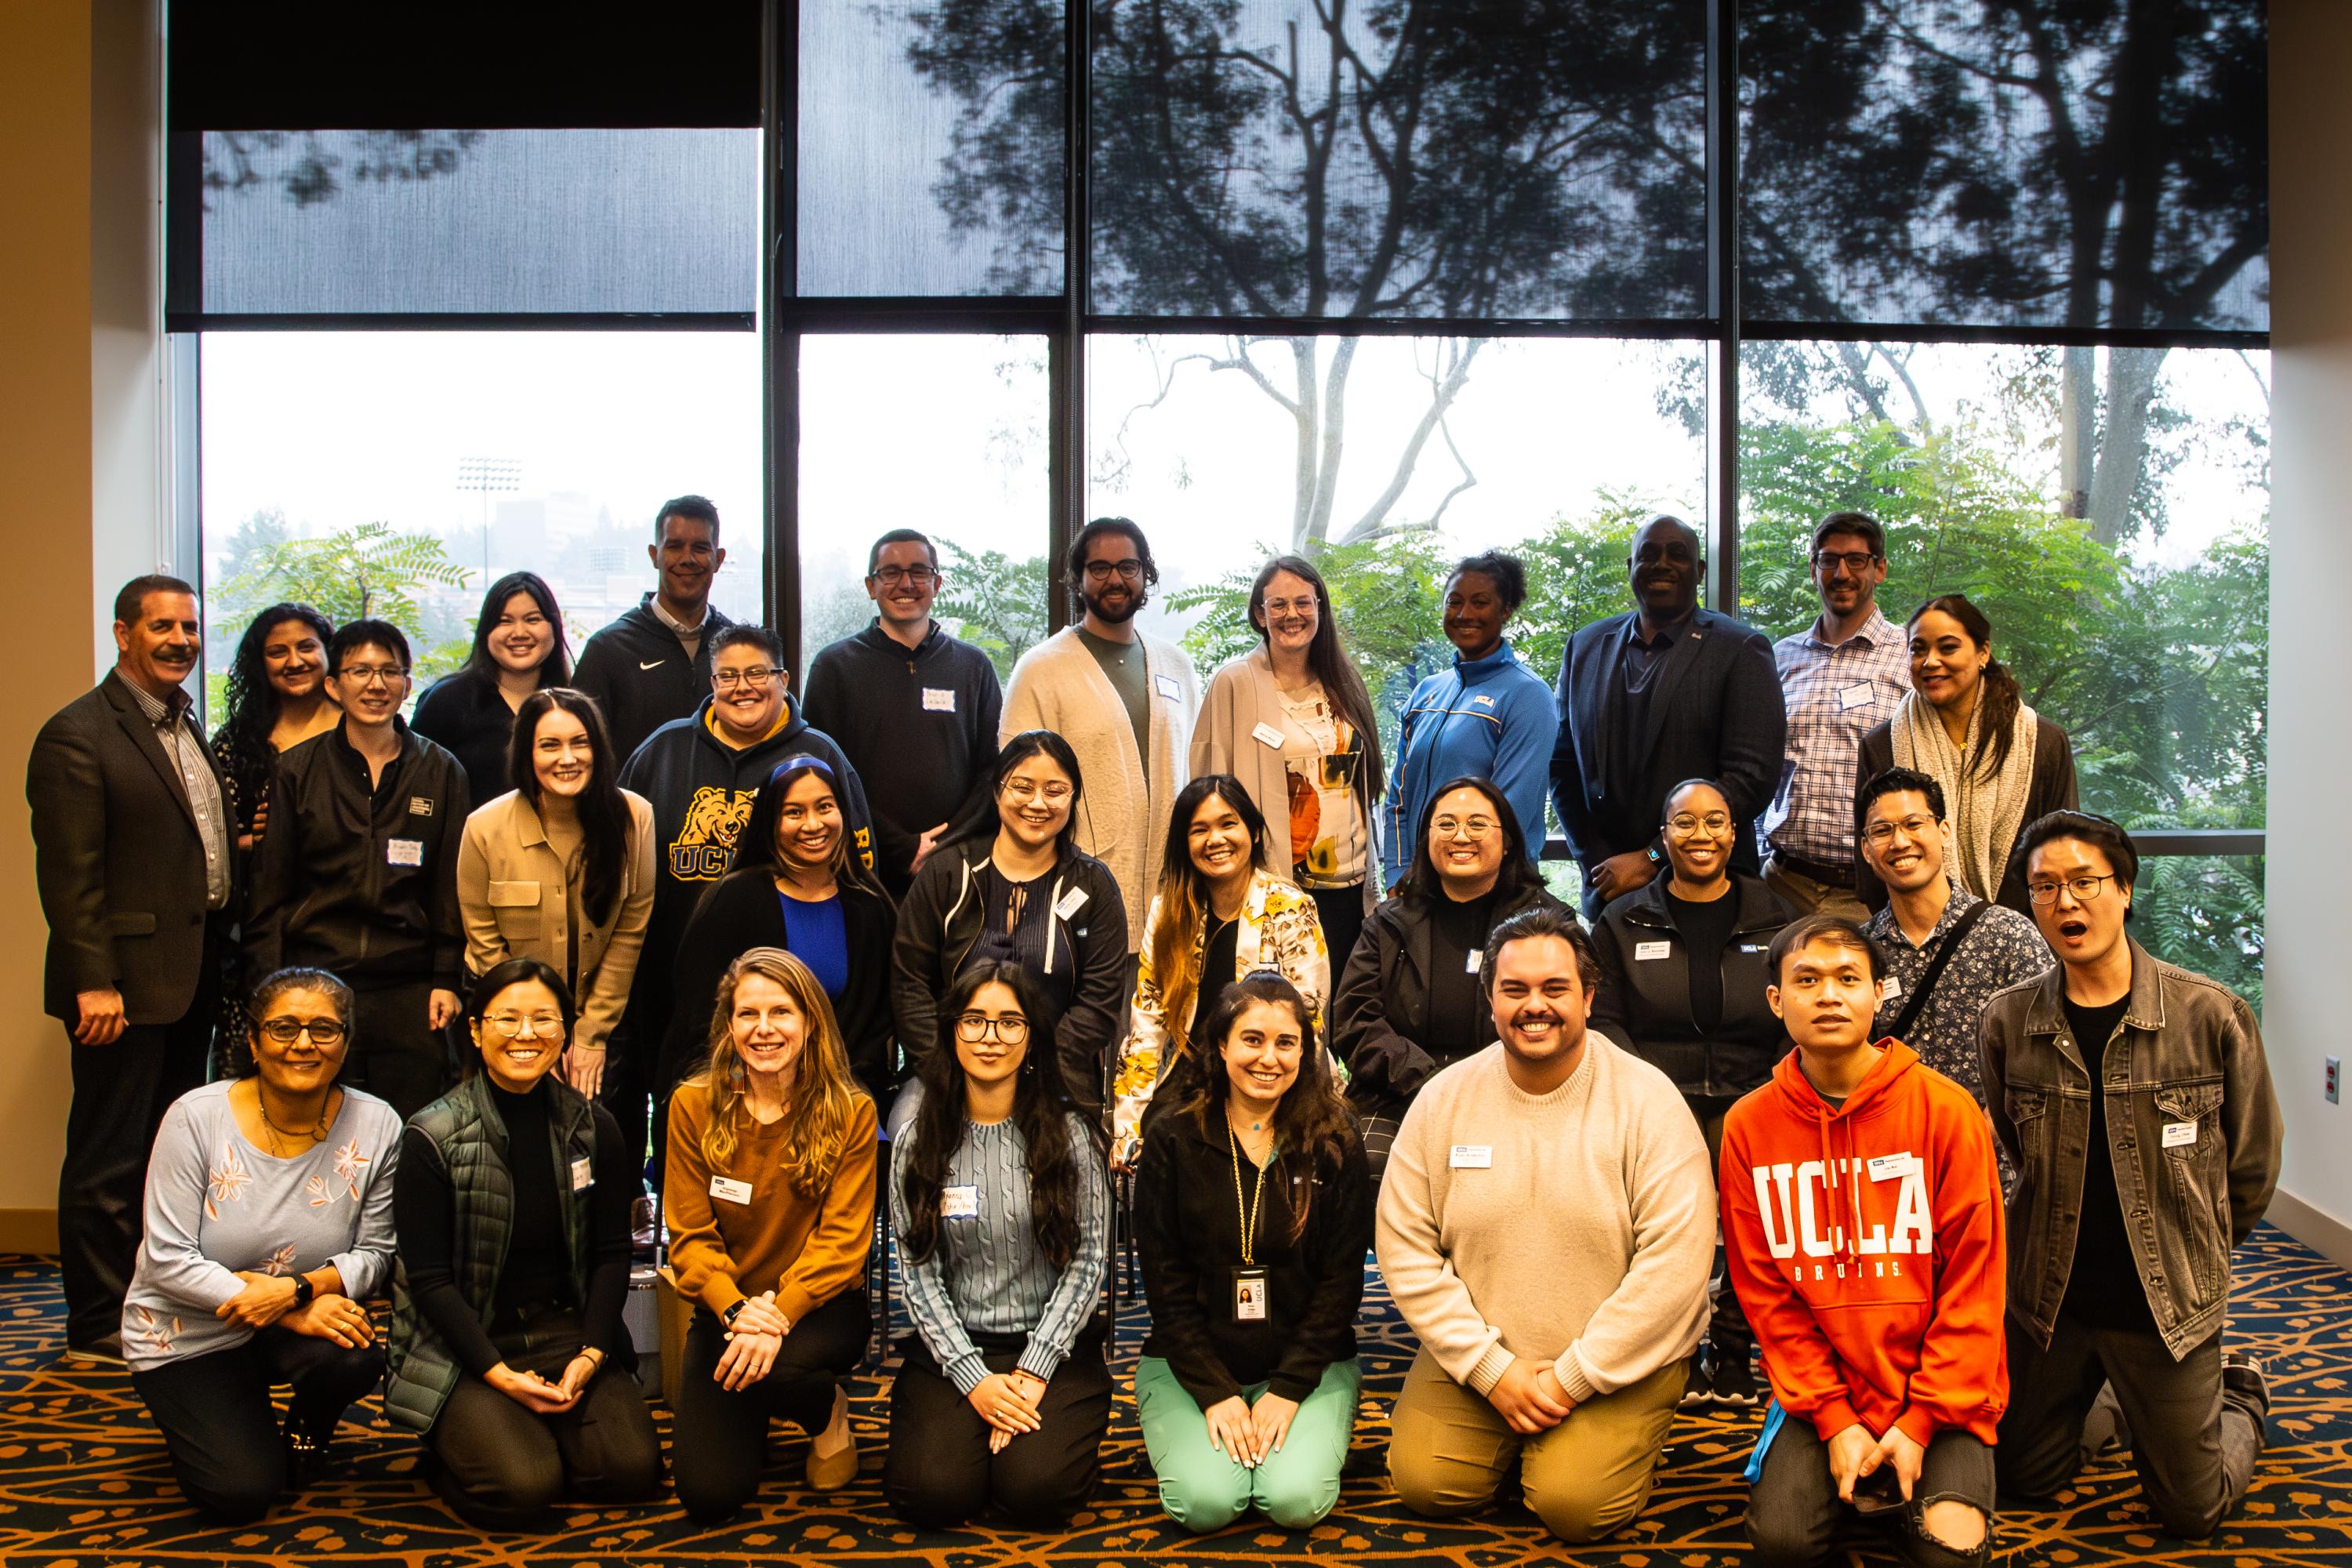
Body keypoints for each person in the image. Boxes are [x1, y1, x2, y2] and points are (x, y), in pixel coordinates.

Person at [1981, 812, 2280, 1540]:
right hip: (2053, 1305)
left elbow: (2251, 1164)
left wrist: (2199, 1242)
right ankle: (2119, 1397)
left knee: (2191, 1513)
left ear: (2124, 890)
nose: (2065, 903)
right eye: (2044, 887)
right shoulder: (2008, 1020)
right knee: (2026, 1478)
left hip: (2166, 1303)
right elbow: (2016, 1153)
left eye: (2084, 882)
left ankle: (2237, 1396)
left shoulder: (2209, 1014)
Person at [1377, 906, 1714, 1543]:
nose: (1536, 1006)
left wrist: (1574, 1376)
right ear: (1491, 1000)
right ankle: (1521, 1436)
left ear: (1588, 996)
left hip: (1618, 1359)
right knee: (1428, 1486)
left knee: (1575, 1508)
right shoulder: (1444, 1098)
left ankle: (1582, 1445)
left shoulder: (1648, 1102)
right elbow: (1404, 1245)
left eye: (1555, 989)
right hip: (1486, 1352)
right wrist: (1489, 1369)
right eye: (1515, 990)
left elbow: (1676, 1268)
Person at [1722, 914, 2005, 1568]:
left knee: (1949, 1558)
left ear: (1880, 994)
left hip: (1936, 1390)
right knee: (1784, 1547)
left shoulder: (1947, 1110)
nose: (1828, 995)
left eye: (1848, 978)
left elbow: (1976, 1285)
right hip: (1824, 1389)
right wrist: (1833, 1419)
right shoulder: (1748, 1126)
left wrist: (1918, 1423)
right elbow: (1765, 1295)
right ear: (1776, 1000)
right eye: (1808, 979)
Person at [27, 575, 234, 1359]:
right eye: (162, 627)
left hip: (186, 977)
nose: (181, 639)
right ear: (123, 633)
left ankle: (147, 1296)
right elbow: (70, 874)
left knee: (164, 1152)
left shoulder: (184, 721)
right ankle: (94, 1321)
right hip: (120, 986)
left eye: (189, 625)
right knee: (109, 1157)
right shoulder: (78, 733)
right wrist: (93, 978)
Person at [383, 959, 660, 1530]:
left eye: (543, 1019)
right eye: (507, 1019)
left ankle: (527, 1435)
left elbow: (612, 1253)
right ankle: (454, 1450)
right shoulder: (431, 1135)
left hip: (564, 1331)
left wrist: (592, 1353)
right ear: (477, 1030)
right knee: (524, 1489)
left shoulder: (593, 1125)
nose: (526, 1034)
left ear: (565, 1033)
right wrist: (497, 1372)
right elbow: (428, 1281)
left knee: (633, 1472)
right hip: (466, 1342)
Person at [122, 967, 401, 1521]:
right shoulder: (195, 1118)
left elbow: (375, 1254)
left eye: (324, 1029)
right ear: (252, 1040)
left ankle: (305, 1427)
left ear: (345, 1043)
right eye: (284, 1028)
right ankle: (217, 1419)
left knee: (358, 1354)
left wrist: (297, 1291)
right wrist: (287, 1311)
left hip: (292, 1309)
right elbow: (166, 1259)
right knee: (239, 1493)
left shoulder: (378, 1125)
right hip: (186, 1331)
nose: (303, 1043)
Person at [616, 622, 872, 1179]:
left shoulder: (819, 754)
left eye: (757, 673)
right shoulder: (660, 753)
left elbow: (858, 868)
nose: (743, 687)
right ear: (711, 682)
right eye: (728, 675)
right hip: (673, 992)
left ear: (783, 679)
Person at [1132, 971, 1371, 1534]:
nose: (1269, 1058)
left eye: (1286, 1043)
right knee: (1207, 1504)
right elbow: (1163, 1287)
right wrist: (1216, 1394)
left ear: (1306, 1051)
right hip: (1192, 1361)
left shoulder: (1337, 1141)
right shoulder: (1171, 1137)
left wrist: (1289, 1390)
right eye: (1252, 1040)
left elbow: (1342, 1284)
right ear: (1220, 1045)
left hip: (1308, 1363)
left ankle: (1302, 1423)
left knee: (1293, 1502)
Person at [885, 960, 1114, 1529]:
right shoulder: (919, 1139)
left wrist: (1034, 1370)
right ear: (951, 1032)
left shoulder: (1072, 1134)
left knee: (1037, 1494)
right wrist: (973, 1379)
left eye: (1010, 1022)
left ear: (1032, 1037)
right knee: (931, 1496)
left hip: (1054, 1352)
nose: (991, 1038)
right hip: (954, 1350)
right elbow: (917, 1274)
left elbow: (1088, 1264)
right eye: (975, 1021)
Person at [1590, 778, 1795, 1408]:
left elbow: (1799, 1012)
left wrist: (1778, 1088)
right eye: (1684, 823)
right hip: (1654, 1096)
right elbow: (1604, 1019)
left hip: (1757, 1095)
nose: (1700, 835)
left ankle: (1732, 1350)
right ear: (1664, 835)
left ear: (1735, 834)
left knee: (1751, 1207)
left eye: (1715, 822)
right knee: (1662, 1213)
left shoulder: (1778, 915)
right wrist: (1648, 1092)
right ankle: (1667, 1348)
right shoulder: (1623, 920)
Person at [664, 948, 877, 1520]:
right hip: (727, 1310)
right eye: (747, 1014)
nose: (764, 1030)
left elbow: (842, 1244)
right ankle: (754, 1403)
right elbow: (688, 1235)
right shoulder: (691, 1106)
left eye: (781, 1012)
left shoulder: (851, 1111)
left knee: (779, 1368)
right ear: (728, 1025)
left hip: (819, 1309)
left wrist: (777, 1314)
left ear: (809, 1022)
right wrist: (737, 1311)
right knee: (709, 1495)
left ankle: (823, 1410)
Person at [245, 619, 470, 1122]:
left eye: (390, 672)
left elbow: (450, 889)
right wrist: (270, 991)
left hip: (410, 986)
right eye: (361, 671)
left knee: (414, 1128)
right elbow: (269, 890)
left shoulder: (442, 771)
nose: (376, 684)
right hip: (316, 979)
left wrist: (445, 979)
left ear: (408, 685)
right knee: (317, 1127)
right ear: (334, 684)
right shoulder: (296, 771)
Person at [1550, 514, 1787, 918]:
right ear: (1631, 568)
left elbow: (1750, 778)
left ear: (1699, 571)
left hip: (1710, 891)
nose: (1662, 564)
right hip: (1610, 894)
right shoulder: (1584, 647)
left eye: (1677, 554)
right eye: (1648, 554)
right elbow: (1563, 767)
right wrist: (1600, 864)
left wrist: (1653, 856)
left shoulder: (1741, 649)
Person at [1332, 779, 1565, 1181]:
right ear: (1425, 839)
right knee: (1367, 1167)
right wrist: (1432, 1081)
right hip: (1399, 1094)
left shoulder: (1547, 923)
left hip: (1516, 1092)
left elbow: (1564, 1014)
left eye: (1477, 824)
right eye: (1446, 824)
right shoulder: (1388, 923)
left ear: (1507, 840)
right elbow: (1354, 1022)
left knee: (1524, 1179)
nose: (1461, 836)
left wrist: (1482, 1084)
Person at [890, 731, 1128, 1120]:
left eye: (1055, 790)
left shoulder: (1094, 886)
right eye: (1022, 787)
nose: (1038, 803)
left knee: (1076, 1157)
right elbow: (909, 984)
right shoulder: (946, 873)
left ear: (1073, 798)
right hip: (949, 1070)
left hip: (1058, 1077)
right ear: (998, 792)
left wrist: (1040, 1070)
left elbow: (1099, 1001)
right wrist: (947, 1067)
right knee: (907, 1128)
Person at [1000, 516, 1199, 953]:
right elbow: (1015, 791)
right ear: (1078, 579)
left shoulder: (1177, 666)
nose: (1116, 578)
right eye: (1100, 568)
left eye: (1128, 566)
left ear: (1146, 575)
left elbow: (1200, 771)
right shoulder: (1041, 668)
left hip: (1174, 894)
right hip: (1076, 896)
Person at [1109, 775, 1330, 1167]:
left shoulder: (1290, 906)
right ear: (1185, 844)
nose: (1215, 839)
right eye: (1200, 830)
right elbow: (1146, 1024)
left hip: (1271, 1073)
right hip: (1193, 1076)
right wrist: (1128, 1127)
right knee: (1160, 1146)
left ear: (1254, 832)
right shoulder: (1168, 912)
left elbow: (1308, 1022)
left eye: (1228, 824)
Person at [456, 688, 657, 1101]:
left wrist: (589, 1035)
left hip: (603, 1016)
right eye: (550, 745)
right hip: (509, 1023)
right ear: (528, 754)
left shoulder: (635, 818)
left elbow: (629, 933)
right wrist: (535, 1034)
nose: (568, 759)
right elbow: (485, 944)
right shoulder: (484, 828)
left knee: (600, 1137)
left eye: (579, 743)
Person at [1189, 554, 1385, 967]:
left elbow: (1364, 783)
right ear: (1260, 614)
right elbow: (1207, 787)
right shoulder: (1235, 683)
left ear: (1319, 608)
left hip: (1351, 884)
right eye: (1277, 604)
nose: (1291, 614)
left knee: (1346, 1014)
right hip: (1280, 883)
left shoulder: (1344, 680)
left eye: (1303, 602)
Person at [664, 757, 898, 1105]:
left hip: (838, 1099)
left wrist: (830, 1093)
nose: (813, 824)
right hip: (742, 1095)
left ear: (844, 814)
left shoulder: (870, 907)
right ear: (771, 822)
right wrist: (747, 1093)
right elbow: (699, 1021)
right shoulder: (732, 899)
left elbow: (875, 1031)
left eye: (825, 807)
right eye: (794, 812)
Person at [804, 528, 1004, 898]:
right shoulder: (834, 667)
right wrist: (901, 846)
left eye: (919, 572)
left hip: (957, 874)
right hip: (862, 874)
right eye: (891, 573)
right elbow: (821, 773)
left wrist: (944, 847)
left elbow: (991, 771)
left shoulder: (973, 667)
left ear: (937, 582)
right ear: (870, 585)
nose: (906, 583)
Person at [1856, 594, 2077, 916]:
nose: (1930, 661)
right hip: (1918, 933)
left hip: (2028, 935)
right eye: (1918, 650)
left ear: (1983, 653)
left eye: (1947, 648)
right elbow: (1872, 865)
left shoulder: (2042, 742)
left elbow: (2063, 853)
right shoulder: (1881, 746)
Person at [1857, 768, 2049, 1110]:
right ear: (1867, 849)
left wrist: (1983, 1131)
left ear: (1943, 830)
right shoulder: (1860, 951)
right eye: (1882, 831)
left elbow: (2048, 1052)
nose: (1900, 842)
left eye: (1914, 824)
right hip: (1895, 1155)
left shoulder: (2009, 936)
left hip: (1990, 1155)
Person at [1764, 513, 1911, 919]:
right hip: (1782, 885)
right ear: (1813, 570)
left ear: (1879, 569)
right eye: (1828, 560)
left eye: (1856, 560)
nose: (1841, 573)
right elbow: (1761, 766)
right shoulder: (1781, 658)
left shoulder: (1910, 656)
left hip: (1871, 895)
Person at [1381, 551, 1552, 895]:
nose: (1464, 614)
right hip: (1420, 889)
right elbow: (1399, 798)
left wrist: (1445, 877)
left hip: (1491, 890)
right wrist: (1399, 874)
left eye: (1480, 602)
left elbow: (1507, 814)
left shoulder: (1528, 695)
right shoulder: (1425, 693)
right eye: (1454, 602)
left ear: (1505, 611)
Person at [572, 495, 738, 764]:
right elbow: (581, 753)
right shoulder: (608, 650)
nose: (687, 559)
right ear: (655, 555)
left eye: (700, 548)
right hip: (634, 807)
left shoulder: (738, 650)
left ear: (718, 559)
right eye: (674, 546)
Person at [413, 571, 573, 804]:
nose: (519, 633)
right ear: (486, 631)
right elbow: (414, 784)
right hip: (468, 840)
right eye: (504, 621)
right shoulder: (446, 701)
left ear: (554, 628)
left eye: (533, 619)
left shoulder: (572, 704)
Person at [209, 601, 339, 852]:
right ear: (261, 664)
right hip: (263, 888)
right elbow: (212, 842)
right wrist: (262, 840)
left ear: (328, 650)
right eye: (278, 652)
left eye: (306, 647)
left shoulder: (362, 729)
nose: (295, 662)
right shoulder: (236, 741)